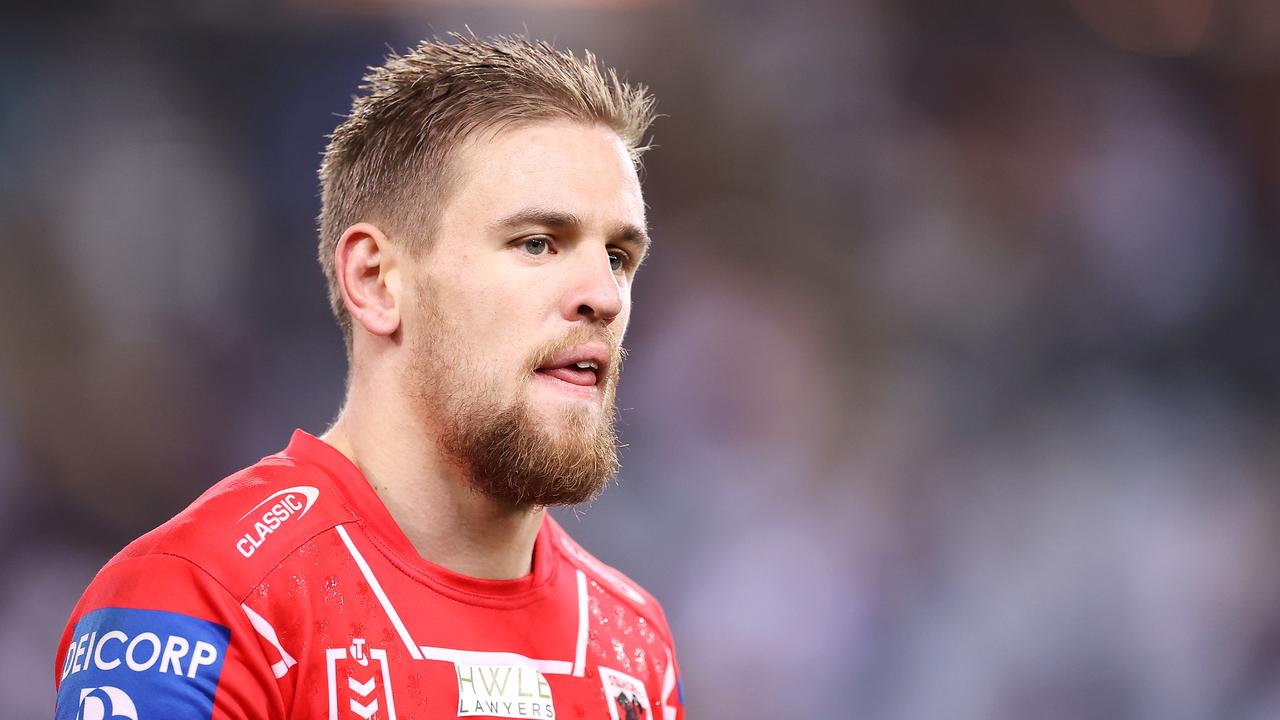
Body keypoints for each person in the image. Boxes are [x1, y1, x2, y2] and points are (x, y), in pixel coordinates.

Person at [53, 32, 683, 720]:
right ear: (376, 281)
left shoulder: (634, 647)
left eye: (619, 256)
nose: (606, 295)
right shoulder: (202, 603)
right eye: (537, 243)